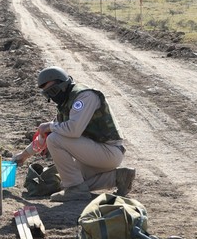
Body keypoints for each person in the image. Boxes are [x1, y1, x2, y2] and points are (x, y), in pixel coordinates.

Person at [13, 66, 135, 202]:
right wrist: (23, 156)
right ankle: (118, 177)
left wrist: (49, 126)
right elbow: (45, 136)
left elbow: (72, 130)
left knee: (55, 139)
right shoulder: (66, 102)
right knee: (63, 182)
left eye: (52, 91)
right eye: (47, 94)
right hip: (93, 153)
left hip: (108, 151)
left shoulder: (85, 96)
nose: (52, 97)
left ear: (63, 84)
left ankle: (75, 189)